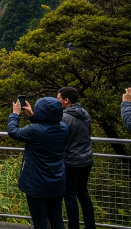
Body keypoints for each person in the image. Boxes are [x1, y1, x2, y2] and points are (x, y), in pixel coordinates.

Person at [9, 97, 69, 229]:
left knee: (40, 222)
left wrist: (15, 114)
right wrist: (32, 115)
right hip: (57, 181)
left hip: (36, 184)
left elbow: (13, 132)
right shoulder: (64, 128)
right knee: (57, 220)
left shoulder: (34, 131)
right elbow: (47, 125)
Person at [50, 87, 95, 229]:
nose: (57, 101)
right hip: (87, 159)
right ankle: (90, 226)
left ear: (66, 100)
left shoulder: (64, 118)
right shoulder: (85, 114)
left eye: (58, 98)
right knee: (82, 192)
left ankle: (73, 227)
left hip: (71, 161)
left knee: (69, 195)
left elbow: (57, 136)